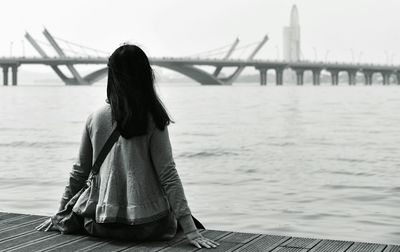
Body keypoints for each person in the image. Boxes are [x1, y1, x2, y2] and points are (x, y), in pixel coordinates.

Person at [36, 44, 219, 249]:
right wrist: (191, 231)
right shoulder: (152, 119)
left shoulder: (94, 118)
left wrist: (59, 216)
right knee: (188, 219)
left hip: (99, 224)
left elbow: (79, 173)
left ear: (111, 76)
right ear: (145, 75)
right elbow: (168, 175)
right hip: (149, 227)